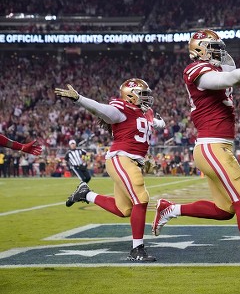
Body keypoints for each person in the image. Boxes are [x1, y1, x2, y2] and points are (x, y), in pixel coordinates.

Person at [152, 29, 240, 284]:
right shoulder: (196, 71)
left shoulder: (217, 69)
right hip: (211, 146)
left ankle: (170, 209)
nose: (220, 51)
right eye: (214, 47)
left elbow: (230, 73)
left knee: (224, 210)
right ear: (200, 51)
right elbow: (226, 80)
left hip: (218, 147)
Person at [54, 78, 166, 262]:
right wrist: (79, 98)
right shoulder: (120, 109)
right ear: (130, 95)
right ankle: (137, 250)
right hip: (120, 158)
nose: (147, 98)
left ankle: (86, 194)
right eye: (142, 94)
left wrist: (158, 124)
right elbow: (100, 108)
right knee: (141, 198)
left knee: (124, 210)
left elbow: (153, 123)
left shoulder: (145, 111)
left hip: (131, 161)